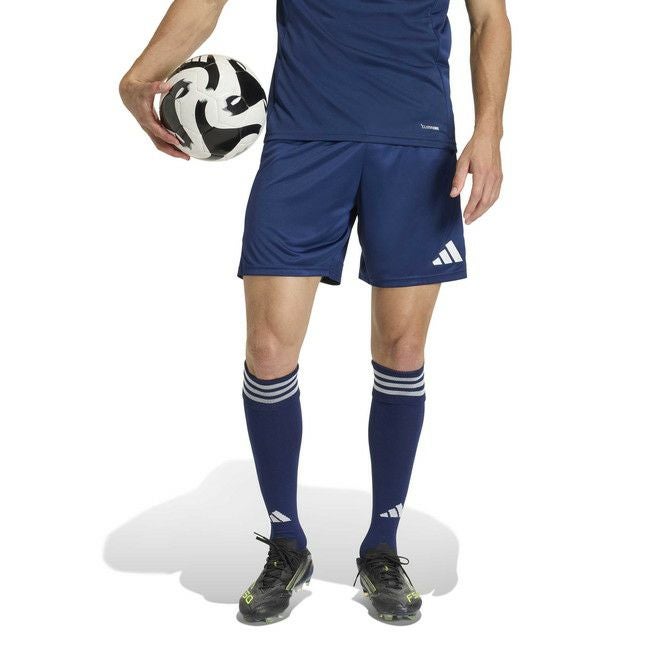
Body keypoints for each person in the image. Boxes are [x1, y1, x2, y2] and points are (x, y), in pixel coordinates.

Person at [120, 0, 511, 624]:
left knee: (403, 350)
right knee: (268, 351)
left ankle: (382, 546)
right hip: (303, 139)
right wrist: (139, 76)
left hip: (415, 140)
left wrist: (489, 130)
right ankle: (286, 543)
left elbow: (488, 17)